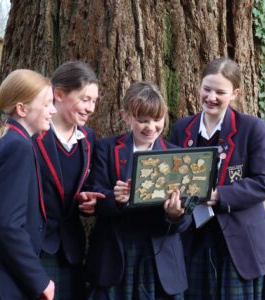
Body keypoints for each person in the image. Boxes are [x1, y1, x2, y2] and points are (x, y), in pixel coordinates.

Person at [170, 57, 265, 299]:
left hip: (240, 245)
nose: (211, 97)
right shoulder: (182, 129)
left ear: (235, 93)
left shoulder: (252, 128)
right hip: (193, 242)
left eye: (220, 92)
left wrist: (219, 195)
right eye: (206, 89)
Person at [85, 81, 191, 300]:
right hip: (116, 253)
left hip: (161, 257)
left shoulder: (177, 155)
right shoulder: (106, 148)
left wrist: (175, 214)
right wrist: (115, 199)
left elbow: (187, 215)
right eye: (142, 120)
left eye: (157, 119)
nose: (150, 127)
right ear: (126, 116)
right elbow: (94, 192)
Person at [33, 61, 105, 300]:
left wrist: (88, 200)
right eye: (85, 99)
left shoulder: (88, 138)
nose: (91, 108)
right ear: (59, 94)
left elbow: (83, 184)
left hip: (72, 249)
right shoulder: (34, 135)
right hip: (37, 247)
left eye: (94, 101)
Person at [0, 69, 56, 299]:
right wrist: (40, 281)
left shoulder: (10, 139)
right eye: (48, 103)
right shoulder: (17, 147)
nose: (53, 110)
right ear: (21, 109)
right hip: (6, 278)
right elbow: (7, 224)